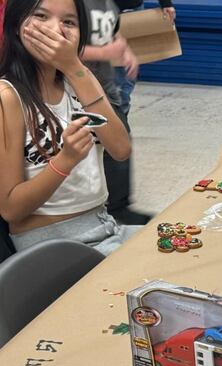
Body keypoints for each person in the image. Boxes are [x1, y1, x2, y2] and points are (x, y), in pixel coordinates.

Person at [0, 0, 139, 255]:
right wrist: (65, 160)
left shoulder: (78, 80)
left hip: (105, 226)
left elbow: (120, 149)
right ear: (17, 25)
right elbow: (10, 208)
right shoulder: (8, 97)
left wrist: (75, 67)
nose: (57, 29)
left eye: (69, 22)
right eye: (41, 16)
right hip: (52, 247)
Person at [80, 0, 149, 225]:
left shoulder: (109, 4)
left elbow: (114, 32)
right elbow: (65, 49)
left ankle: (118, 206)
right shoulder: (73, 5)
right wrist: (105, 52)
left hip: (106, 92)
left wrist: (126, 50)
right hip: (77, 93)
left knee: (121, 143)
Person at [114, 0, 175, 116]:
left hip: (130, 10)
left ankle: (119, 123)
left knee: (123, 80)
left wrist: (166, 3)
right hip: (94, 11)